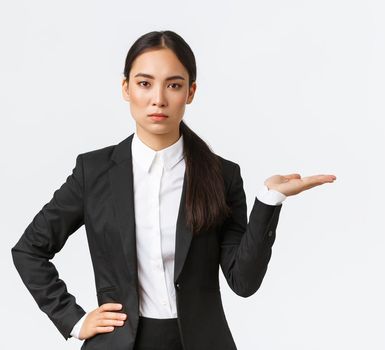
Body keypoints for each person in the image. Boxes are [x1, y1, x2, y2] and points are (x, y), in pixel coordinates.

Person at [10, 30, 336, 350]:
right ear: (126, 88)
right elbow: (29, 249)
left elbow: (244, 281)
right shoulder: (93, 172)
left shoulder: (221, 175)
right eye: (144, 83)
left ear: (190, 92)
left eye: (174, 85)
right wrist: (74, 320)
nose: (158, 99)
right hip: (119, 343)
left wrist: (270, 199)